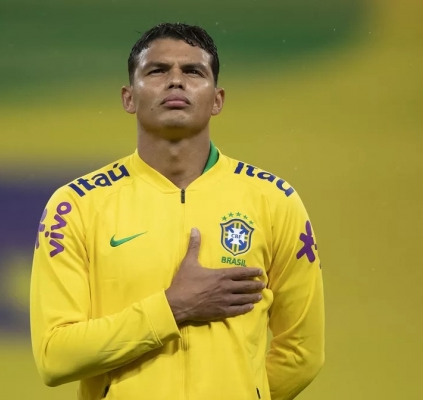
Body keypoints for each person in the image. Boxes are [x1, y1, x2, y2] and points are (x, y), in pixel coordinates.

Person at [30, 22, 325, 400]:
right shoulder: (76, 206)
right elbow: (55, 356)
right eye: (157, 70)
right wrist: (173, 308)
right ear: (128, 98)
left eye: (193, 71)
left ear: (217, 99)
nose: (175, 81)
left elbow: (302, 353)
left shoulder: (275, 200)